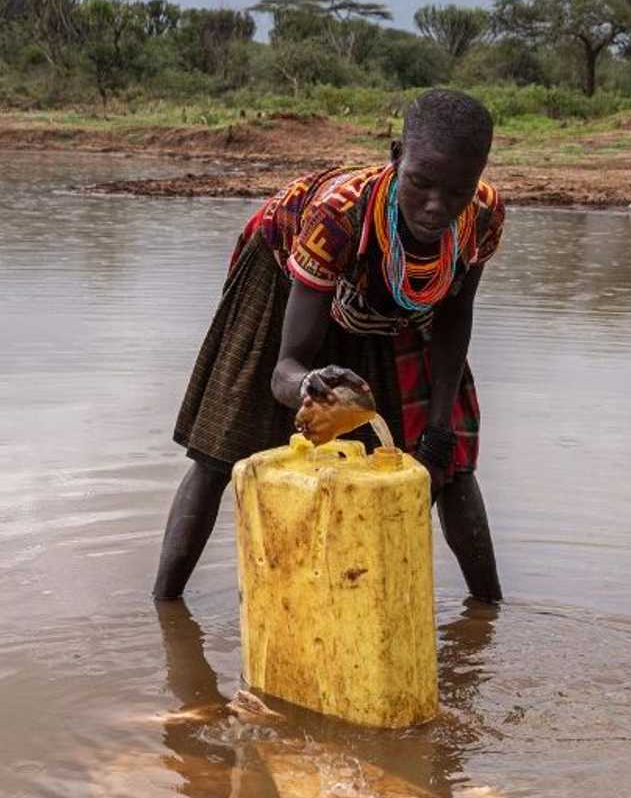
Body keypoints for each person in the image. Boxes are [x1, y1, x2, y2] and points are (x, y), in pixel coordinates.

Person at [154, 88, 505, 603]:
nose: (436, 206)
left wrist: (437, 430)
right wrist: (310, 385)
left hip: (400, 296)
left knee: (447, 463)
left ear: (477, 177)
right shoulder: (338, 215)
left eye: (456, 191)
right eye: (420, 183)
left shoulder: (481, 215)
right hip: (285, 278)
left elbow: (455, 317)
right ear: (395, 157)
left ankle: (489, 612)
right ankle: (165, 612)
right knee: (221, 448)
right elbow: (285, 370)